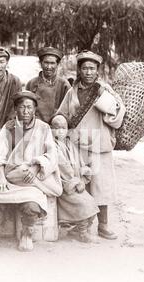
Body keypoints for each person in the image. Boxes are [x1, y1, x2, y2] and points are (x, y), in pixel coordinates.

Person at [56, 50, 126, 240]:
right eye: (85, 68)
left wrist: (104, 99)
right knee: (80, 185)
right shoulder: (72, 92)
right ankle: (81, 225)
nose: (88, 72)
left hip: (100, 145)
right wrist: (59, 124)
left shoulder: (104, 89)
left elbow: (117, 117)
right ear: (79, 70)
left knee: (101, 186)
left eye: (92, 68)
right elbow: (62, 114)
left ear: (97, 71)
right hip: (78, 146)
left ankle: (103, 226)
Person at [0, 91, 62, 253]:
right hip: (11, 177)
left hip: (32, 179)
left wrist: (35, 167)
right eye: (21, 107)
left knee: (32, 205)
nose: (25, 111)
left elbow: (52, 154)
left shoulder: (43, 128)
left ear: (35, 110)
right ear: (15, 109)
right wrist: (2, 178)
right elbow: (0, 155)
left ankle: (26, 235)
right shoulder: (9, 127)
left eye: (29, 107)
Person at [50, 114, 99, 243]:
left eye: (63, 127)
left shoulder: (69, 144)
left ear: (67, 129)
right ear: (51, 129)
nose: (60, 130)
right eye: (56, 127)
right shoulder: (51, 146)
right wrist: (76, 182)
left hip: (75, 183)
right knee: (85, 204)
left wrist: (82, 177)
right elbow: (64, 169)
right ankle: (82, 233)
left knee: (92, 203)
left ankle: (78, 229)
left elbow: (80, 163)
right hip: (63, 186)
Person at [26, 47, 71, 123]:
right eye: (46, 62)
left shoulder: (64, 85)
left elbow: (69, 111)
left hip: (55, 129)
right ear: (41, 63)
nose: (49, 67)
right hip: (35, 128)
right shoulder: (31, 83)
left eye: (52, 63)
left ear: (57, 64)